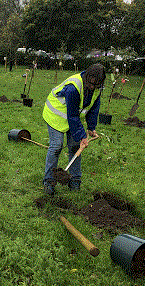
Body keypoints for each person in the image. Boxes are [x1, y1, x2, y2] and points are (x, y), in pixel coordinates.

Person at [42, 63, 106, 195]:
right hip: (56, 115)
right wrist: (82, 136)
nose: (93, 87)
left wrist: (91, 128)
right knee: (56, 146)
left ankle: (75, 181)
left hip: (72, 117)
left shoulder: (97, 88)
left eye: (96, 85)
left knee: (75, 147)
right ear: (86, 77)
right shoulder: (73, 88)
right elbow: (72, 116)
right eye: (91, 84)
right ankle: (49, 182)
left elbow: (94, 108)